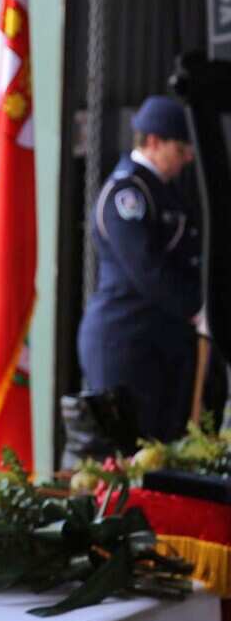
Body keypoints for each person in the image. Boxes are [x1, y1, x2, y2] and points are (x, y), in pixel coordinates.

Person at [78, 95, 201, 442]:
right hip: (125, 340)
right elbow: (148, 270)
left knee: (164, 449)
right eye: (180, 149)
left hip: (162, 341)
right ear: (153, 142)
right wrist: (196, 308)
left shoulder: (164, 191)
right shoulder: (127, 194)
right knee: (131, 451)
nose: (188, 158)